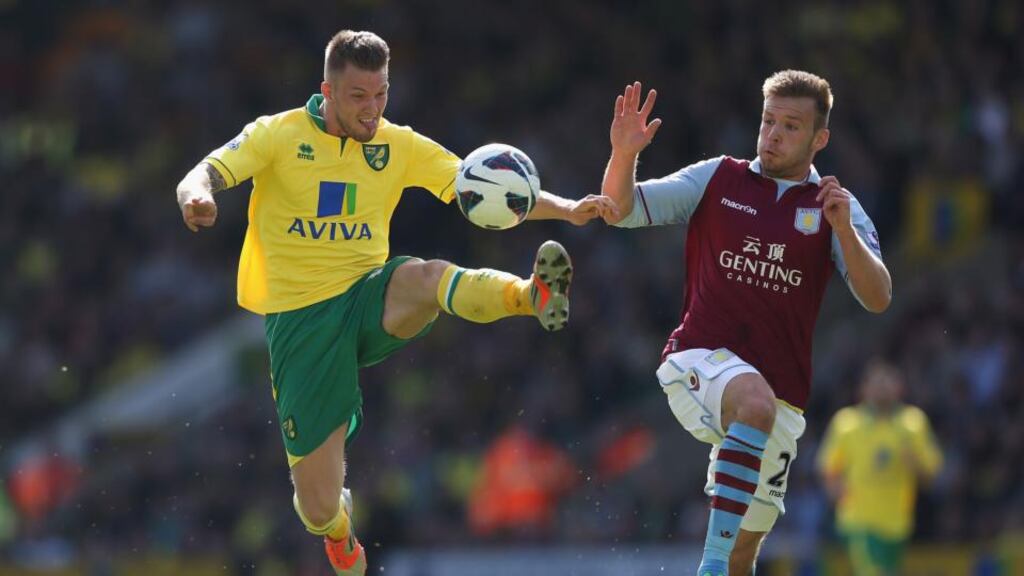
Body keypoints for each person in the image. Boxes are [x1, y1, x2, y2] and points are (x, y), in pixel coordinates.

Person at [175, 30, 616, 575]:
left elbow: (479, 187)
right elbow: (203, 172)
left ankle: (531, 295)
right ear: (328, 92)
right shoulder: (278, 135)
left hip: (367, 294)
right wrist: (197, 195)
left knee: (426, 276)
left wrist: (567, 208)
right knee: (317, 506)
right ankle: (338, 528)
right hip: (300, 323)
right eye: (359, 95)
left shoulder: (397, 144)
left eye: (381, 92)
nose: (373, 108)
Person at [600, 71, 892, 576]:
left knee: (743, 552)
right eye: (768, 121)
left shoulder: (834, 207)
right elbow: (619, 210)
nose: (773, 135)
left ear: (819, 139)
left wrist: (843, 231)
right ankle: (707, 567)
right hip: (698, 360)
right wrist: (623, 154)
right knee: (753, 405)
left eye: (791, 126)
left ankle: (722, 563)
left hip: (782, 398)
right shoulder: (718, 178)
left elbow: (878, 297)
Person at [817, 360, 943, 576]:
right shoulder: (847, 423)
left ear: (900, 387)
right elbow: (828, 466)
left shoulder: (913, 423)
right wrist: (836, 491)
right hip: (859, 519)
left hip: (898, 523)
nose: (882, 389)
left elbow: (931, 473)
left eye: (887, 383)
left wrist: (915, 465)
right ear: (864, 388)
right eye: (877, 383)